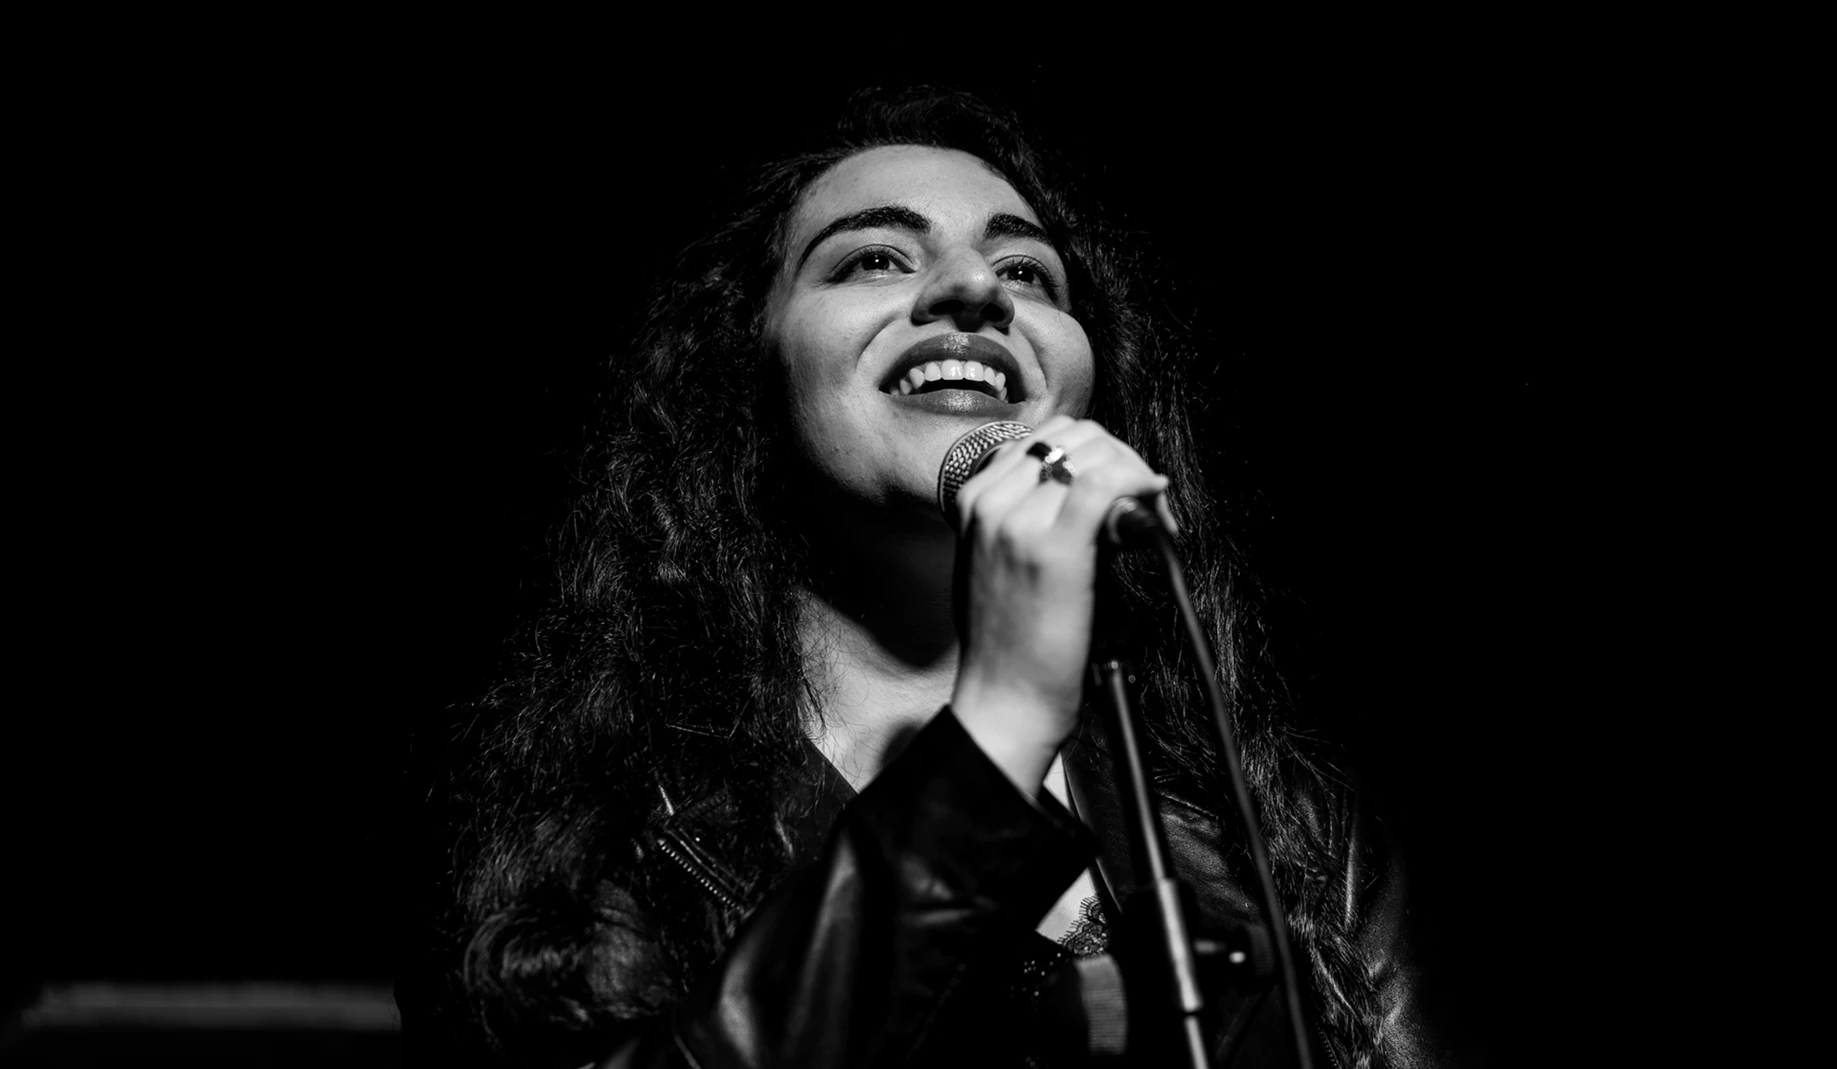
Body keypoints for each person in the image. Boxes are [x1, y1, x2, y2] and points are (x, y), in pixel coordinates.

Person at [399, 87, 1442, 1068]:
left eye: (1028, 272)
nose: (973, 288)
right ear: (745, 381)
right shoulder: (581, 835)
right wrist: (995, 731)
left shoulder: (1288, 830)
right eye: (872, 260)